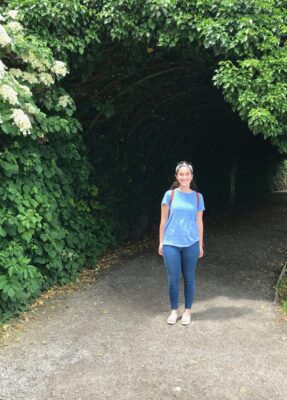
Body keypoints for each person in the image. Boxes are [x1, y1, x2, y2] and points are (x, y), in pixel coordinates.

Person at [159, 161, 205, 325]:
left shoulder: (198, 197)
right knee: (173, 279)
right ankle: (173, 311)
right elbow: (163, 221)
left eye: (187, 174)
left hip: (191, 243)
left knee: (189, 278)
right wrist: (161, 242)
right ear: (177, 176)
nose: (184, 177)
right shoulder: (169, 195)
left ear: (191, 176)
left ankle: (187, 311)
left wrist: (200, 244)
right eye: (181, 174)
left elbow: (199, 222)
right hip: (171, 243)